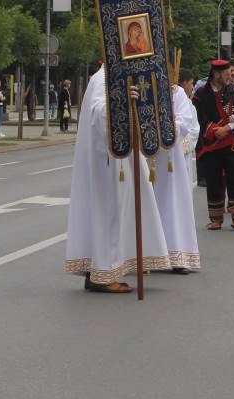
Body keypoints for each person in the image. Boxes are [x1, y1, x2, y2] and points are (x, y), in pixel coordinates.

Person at [64, 67, 170, 293]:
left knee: (126, 211)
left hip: (127, 154)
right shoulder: (102, 79)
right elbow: (97, 113)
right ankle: (103, 273)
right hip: (109, 161)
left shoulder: (123, 77)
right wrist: (121, 100)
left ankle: (113, 267)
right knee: (110, 213)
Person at [192, 59, 234, 231]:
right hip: (211, 142)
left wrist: (227, 127)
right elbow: (198, 117)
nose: (229, 77)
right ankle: (216, 218)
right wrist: (213, 130)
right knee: (213, 179)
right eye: (225, 74)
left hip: (230, 141)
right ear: (216, 74)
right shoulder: (201, 94)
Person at [153, 76, 201, 272]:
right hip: (142, 159)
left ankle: (178, 254)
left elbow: (185, 121)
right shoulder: (136, 89)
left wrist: (162, 128)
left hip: (169, 158)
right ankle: (143, 255)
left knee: (173, 203)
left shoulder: (176, 92)